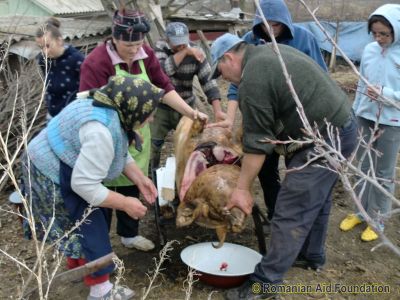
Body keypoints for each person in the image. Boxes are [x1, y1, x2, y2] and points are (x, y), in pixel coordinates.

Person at [209, 33, 357, 299]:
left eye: (220, 71)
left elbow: (257, 145)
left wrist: (242, 188)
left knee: (291, 207)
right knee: (317, 198)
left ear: (228, 57)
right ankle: (311, 254)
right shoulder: (268, 53)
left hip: (324, 137)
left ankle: (264, 284)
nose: (223, 79)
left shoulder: (252, 78)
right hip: (341, 127)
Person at [21, 76, 164, 300]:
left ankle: (79, 266)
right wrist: (126, 203)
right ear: (134, 109)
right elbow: (84, 185)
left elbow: (119, 151)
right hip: (49, 169)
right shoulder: (100, 131)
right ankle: (101, 292)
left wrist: (140, 179)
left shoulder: (111, 108)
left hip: (61, 159)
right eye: (150, 113)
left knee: (80, 223)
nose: (152, 118)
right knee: (89, 222)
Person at [79, 9, 207, 251]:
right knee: (102, 192)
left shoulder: (145, 54)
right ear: (114, 38)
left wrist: (190, 112)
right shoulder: (96, 63)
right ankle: (100, 244)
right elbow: (91, 107)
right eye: (128, 43)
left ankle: (129, 235)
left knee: (133, 182)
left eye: (138, 42)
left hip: (139, 133)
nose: (133, 48)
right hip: (105, 134)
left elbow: (164, 87)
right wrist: (121, 131)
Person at [210, 0, 327, 222]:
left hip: (296, 119)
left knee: (297, 171)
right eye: (265, 25)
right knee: (264, 167)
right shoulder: (248, 42)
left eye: (276, 24)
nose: (270, 29)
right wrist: (231, 118)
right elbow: (236, 84)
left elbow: (318, 77)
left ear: (286, 22)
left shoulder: (304, 39)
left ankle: (296, 223)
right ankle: (275, 215)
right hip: (263, 116)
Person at [339, 4, 400, 242]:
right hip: (365, 116)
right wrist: (355, 111)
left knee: (382, 172)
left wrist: (386, 94)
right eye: (375, 33)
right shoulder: (370, 50)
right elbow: (363, 84)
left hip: (391, 121)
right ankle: (360, 212)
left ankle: (378, 219)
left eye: (385, 33)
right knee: (362, 167)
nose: (379, 38)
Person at [151, 22, 224, 170]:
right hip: (162, 107)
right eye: (177, 44)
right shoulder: (159, 48)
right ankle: (152, 175)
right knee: (154, 145)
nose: (181, 46)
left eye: (184, 43)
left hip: (186, 107)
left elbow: (208, 81)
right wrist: (184, 53)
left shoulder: (196, 52)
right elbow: (162, 72)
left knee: (190, 145)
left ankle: (187, 174)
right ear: (167, 40)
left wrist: (217, 110)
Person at [35, 17, 84, 118]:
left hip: (75, 115)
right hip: (52, 115)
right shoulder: (42, 60)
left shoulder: (77, 60)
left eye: (47, 46)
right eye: (41, 47)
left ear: (59, 41)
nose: (45, 51)